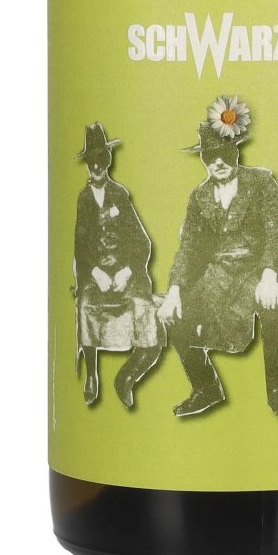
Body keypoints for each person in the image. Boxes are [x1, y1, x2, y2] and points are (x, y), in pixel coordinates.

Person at [158, 99, 278, 417]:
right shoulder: (199, 196)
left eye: (224, 153)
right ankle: (205, 388)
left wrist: (270, 275)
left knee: (276, 307)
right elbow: (189, 247)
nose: (218, 162)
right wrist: (174, 290)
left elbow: (277, 232)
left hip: (260, 267)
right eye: (210, 156)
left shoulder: (261, 183)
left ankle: (277, 390)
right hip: (221, 273)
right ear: (203, 160)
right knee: (175, 315)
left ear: (235, 151)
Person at [71, 123, 161, 409]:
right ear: (87, 165)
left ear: (108, 160)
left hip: (124, 273)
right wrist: (94, 272)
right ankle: (92, 374)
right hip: (95, 275)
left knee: (146, 312)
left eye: (101, 159)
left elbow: (142, 243)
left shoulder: (120, 195)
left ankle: (127, 377)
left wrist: (128, 271)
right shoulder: (83, 199)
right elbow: (80, 247)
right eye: (92, 161)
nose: (97, 166)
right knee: (86, 305)